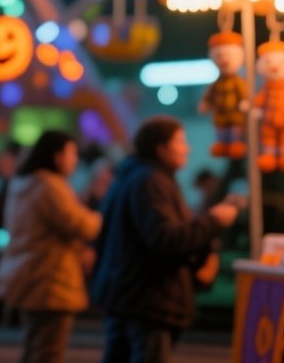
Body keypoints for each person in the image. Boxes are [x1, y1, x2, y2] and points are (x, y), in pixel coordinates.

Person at [91, 117, 239, 363]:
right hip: (148, 298)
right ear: (161, 149)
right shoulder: (151, 181)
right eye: (180, 142)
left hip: (127, 294)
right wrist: (214, 221)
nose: (187, 148)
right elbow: (165, 238)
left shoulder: (132, 176)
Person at [0, 130, 102, 363]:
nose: (75, 160)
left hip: (28, 273)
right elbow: (81, 225)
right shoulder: (50, 186)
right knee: (49, 351)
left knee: (34, 345)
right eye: (71, 153)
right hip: (51, 279)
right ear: (57, 156)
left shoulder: (24, 182)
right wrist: (99, 217)